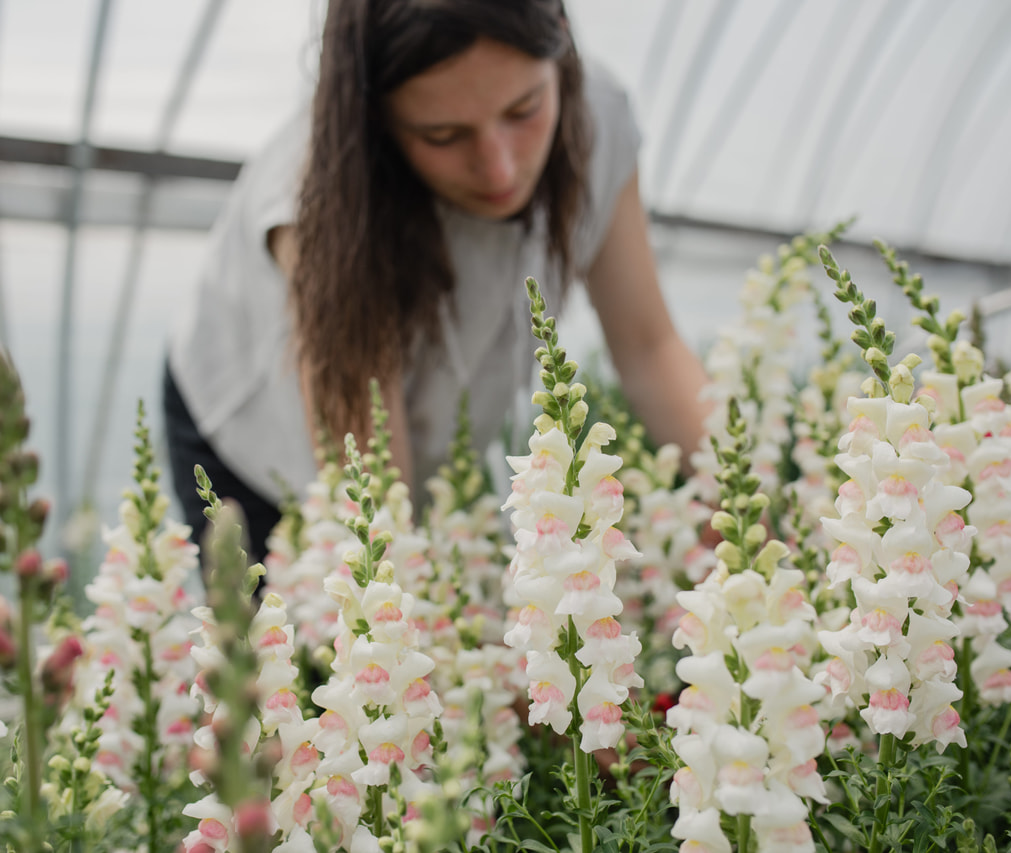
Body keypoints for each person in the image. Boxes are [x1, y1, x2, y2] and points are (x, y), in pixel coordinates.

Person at [164, 0, 710, 562]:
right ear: (376, 115)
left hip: (414, 443)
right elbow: (374, 491)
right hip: (255, 445)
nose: (499, 168)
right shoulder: (315, 199)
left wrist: (741, 506)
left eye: (524, 109)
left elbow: (648, 347)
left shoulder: (599, 113)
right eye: (444, 135)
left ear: (563, 46)